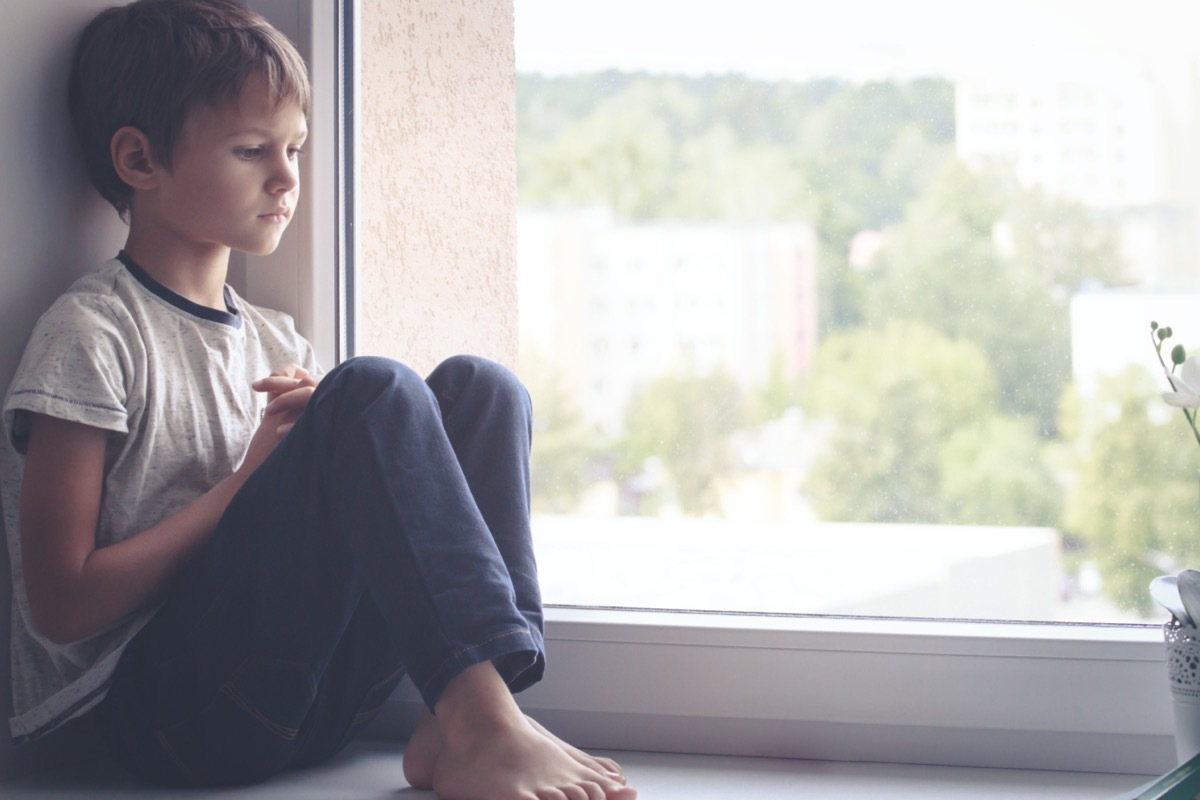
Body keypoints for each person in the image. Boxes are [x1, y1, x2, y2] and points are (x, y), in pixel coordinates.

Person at [0, 1, 636, 798]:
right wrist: (250, 483)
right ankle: (483, 725)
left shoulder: (277, 342)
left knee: (483, 387)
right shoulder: (92, 334)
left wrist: (317, 452)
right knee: (371, 388)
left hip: (306, 702)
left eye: (295, 148)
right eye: (250, 149)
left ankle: (469, 714)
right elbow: (61, 605)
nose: (287, 177)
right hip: (170, 721)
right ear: (139, 159)